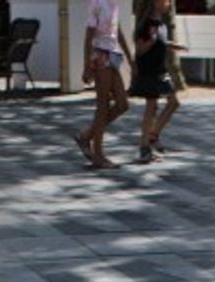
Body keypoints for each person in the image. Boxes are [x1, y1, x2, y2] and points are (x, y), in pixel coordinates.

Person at [75, 0, 134, 168]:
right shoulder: (97, 3)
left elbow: (118, 31)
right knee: (103, 105)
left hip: (113, 55)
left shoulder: (114, 4)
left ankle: (87, 136)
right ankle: (98, 154)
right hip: (100, 54)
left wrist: (130, 59)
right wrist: (87, 66)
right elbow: (89, 35)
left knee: (123, 104)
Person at [130, 0, 186, 164]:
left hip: (161, 70)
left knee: (173, 102)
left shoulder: (160, 22)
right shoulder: (147, 23)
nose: (169, 4)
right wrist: (151, 41)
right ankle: (144, 147)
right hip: (150, 71)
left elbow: (160, 41)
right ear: (155, 3)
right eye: (166, 1)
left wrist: (172, 45)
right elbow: (139, 50)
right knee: (151, 107)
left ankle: (152, 136)